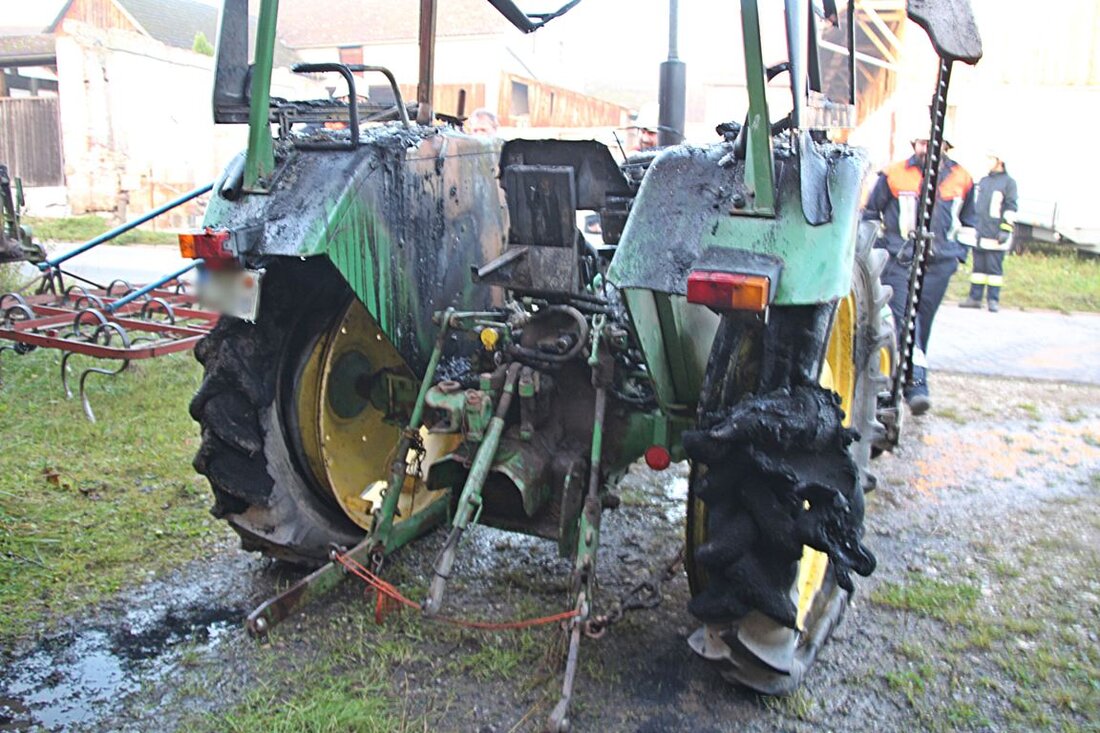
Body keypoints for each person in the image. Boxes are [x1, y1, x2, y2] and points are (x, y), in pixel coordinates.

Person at [862, 136, 976, 415]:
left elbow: (971, 221)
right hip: (900, 259)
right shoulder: (894, 174)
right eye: (920, 143)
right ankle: (915, 386)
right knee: (905, 320)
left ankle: (903, 379)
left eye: (931, 143)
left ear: (947, 145)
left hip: (940, 264)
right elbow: (870, 213)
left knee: (922, 323)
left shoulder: (962, 178)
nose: (925, 149)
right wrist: (879, 251)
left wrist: (959, 253)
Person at [958, 152, 1017, 312]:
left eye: (991, 159)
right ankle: (974, 298)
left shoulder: (1008, 183)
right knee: (978, 269)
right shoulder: (984, 181)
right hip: (980, 233)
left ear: (1000, 161)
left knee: (994, 271)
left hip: (996, 234)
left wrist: (1005, 229)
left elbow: (1011, 207)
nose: (988, 162)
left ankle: (993, 300)